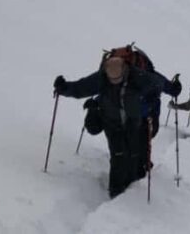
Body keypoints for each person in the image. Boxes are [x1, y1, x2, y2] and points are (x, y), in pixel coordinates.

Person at [54, 55, 163, 198]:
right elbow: (81, 87)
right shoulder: (101, 78)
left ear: (124, 70)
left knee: (133, 153)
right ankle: (116, 192)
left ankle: (133, 185)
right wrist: (64, 88)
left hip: (133, 123)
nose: (114, 83)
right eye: (112, 80)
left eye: (117, 80)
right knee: (118, 155)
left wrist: (152, 104)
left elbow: (158, 84)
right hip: (111, 123)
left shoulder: (138, 76)